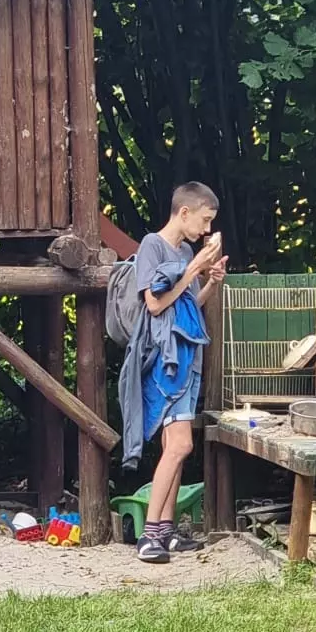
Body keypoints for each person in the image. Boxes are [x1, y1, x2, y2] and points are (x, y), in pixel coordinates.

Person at [117, 181, 228, 564]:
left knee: (174, 447)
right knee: (181, 445)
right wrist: (194, 268)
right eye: (205, 219)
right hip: (165, 361)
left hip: (188, 357)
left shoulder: (184, 251)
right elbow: (155, 304)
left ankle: (166, 532)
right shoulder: (153, 245)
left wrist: (209, 282)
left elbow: (187, 304)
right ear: (184, 212)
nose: (207, 229)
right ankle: (149, 537)